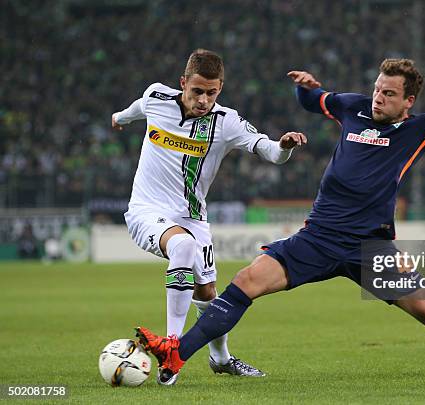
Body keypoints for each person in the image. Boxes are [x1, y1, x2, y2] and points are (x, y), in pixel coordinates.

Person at [136, 30, 425, 381]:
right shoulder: (353, 107)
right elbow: (316, 100)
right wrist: (304, 89)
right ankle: (178, 354)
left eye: (388, 94)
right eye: (377, 89)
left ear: (408, 102)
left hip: (370, 249)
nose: (377, 98)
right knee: (246, 282)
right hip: (317, 238)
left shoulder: (420, 130)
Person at [111, 49, 307, 384]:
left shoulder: (227, 122)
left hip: (192, 218)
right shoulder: (157, 96)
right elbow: (138, 108)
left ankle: (221, 359)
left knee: (208, 293)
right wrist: (120, 117)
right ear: (183, 83)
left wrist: (284, 145)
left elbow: (270, 152)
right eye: (197, 91)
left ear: (220, 89)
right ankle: (172, 350)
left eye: (212, 93)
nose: (204, 100)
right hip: (146, 210)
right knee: (183, 248)